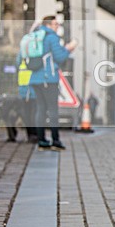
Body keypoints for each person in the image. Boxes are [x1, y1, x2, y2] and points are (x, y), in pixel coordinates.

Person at [30, 16, 76, 151]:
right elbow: (59, 57)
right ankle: (55, 140)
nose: (57, 27)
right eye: (56, 24)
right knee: (52, 110)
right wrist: (68, 49)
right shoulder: (51, 37)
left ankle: (42, 141)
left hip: (35, 78)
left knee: (40, 109)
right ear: (48, 25)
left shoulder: (34, 36)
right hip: (48, 78)